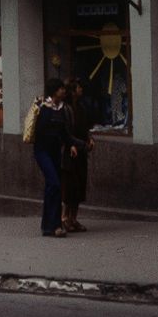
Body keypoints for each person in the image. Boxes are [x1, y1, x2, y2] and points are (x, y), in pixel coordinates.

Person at [34, 78, 80, 238]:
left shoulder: (61, 109)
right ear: (54, 91)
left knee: (53, 187)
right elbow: (39, 132)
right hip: (42, 151)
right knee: (54, 184)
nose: (64, 91)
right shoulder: (44, 108)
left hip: (54, 152)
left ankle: (49, 226)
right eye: (61, 89)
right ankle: (55, 225)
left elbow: (65, 134)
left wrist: (79, 144)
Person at [61, 77, 94, 232]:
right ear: (73, 91)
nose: (82, 90)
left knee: (80, 185)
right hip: (70, 152)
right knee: (70, 186)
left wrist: (89, 138)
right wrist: (71, 145)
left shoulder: (81, 107)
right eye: (79, 88)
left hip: (81, 150)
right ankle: (64, 218)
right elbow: (65, 132)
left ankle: (74, 218)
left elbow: (85, 127)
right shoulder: (66, 109)